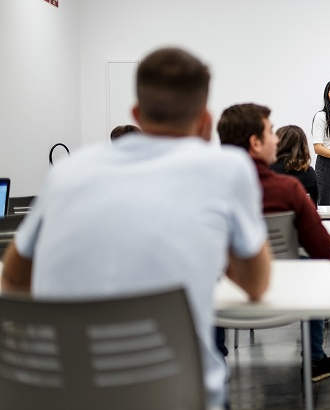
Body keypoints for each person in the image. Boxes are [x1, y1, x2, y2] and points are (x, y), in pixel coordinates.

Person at [1, 47, 272, 409]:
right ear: (206, 119)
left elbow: (15, 279)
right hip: (177, 397)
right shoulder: (228, 168)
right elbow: (256, 284)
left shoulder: (68, 171)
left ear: (135, 115)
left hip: (58, 394)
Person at [217, 103, 330, 382]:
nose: (276, 139)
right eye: (271, 132)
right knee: (311, 269)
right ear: (255, 142)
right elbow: (324, 250)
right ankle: (314, 359)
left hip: (223, 296)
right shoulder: (287, 189)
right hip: (285, 283)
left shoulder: (205, 190)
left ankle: (215, 364)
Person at [271, 125, 319, 204]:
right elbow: (313, 205)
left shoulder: (268, 171)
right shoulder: (309, 173)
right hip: (300, 215)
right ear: (303, 146)